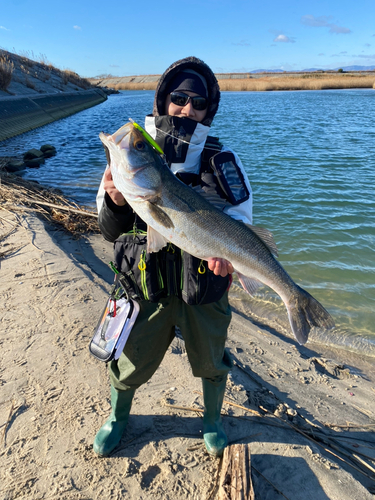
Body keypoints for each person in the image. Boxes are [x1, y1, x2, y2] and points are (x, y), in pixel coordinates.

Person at [94, 56, 253, 458]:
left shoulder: (223, 162)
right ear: (163, 100)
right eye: (179, 97)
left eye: (198, 102)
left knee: (212, 358)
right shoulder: (131, 158)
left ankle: (212, 420)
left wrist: (229, 263)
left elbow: (242, 224)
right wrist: (115, 201)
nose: (187, 108)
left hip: (205, 288)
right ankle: (117, 417)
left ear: (208, 111)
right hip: (142, 287)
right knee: (129, 359)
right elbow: (109, 232)